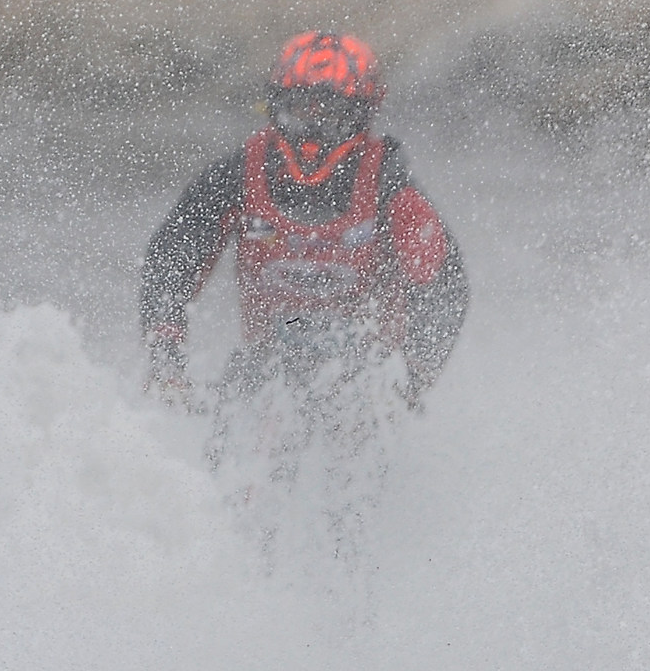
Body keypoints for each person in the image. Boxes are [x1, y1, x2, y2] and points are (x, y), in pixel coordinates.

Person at [138, 31, 468, 407]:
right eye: (300, 113)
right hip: (266, 362)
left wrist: (411, 377)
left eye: (332, 117)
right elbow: (172, 257)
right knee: (241, 383)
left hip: (368, 379)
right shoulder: (237, 175)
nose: (314, 133)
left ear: (363, 114)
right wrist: (166, 354)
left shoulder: (391, 187)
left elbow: (443, 287)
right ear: (276, 109)